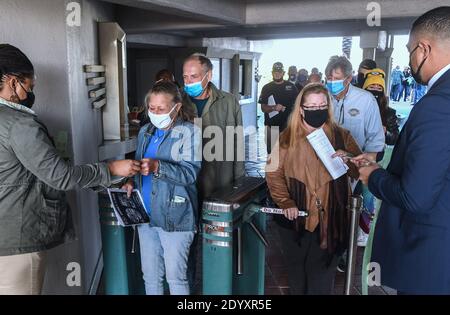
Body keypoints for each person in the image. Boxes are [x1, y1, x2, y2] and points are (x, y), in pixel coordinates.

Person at [0, 44, 141, 295]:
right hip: (16, 241)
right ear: (12, 82)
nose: (30, 93)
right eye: (28, 86)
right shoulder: (19, 125)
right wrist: (111, 169)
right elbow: (61, 176)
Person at [352, 6, 450, 294]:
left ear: (423, 49)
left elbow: (416, 197)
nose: (409, 60)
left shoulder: (437, 105)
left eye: (409, 51)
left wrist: (374, 176)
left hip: (428, 258)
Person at [266, 83, 362, 294]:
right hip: (295, 217)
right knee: (296, 274)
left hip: (331, 217)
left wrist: (350, 160)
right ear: (301, 109)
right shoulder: (286, 138)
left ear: (328, 108)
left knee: (322, 275)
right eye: (311, 106)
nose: (317, 110)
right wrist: (285, 201)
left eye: (322, 106)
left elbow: (359, 172)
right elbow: (273, 173)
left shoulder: (341, 136)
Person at [122, 80, 201, 295]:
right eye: (152, 108)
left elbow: (189, 173)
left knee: (175, 278)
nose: (155, 113)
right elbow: (140, 166)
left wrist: (158, 166)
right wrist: (130, 180)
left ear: (176, 107)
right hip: (145, 216)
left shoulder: (189, 132)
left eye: (161, 109)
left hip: (175, 216)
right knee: (150, 276)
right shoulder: (146, 131)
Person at [182, 53, 245, 292]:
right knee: (188, 243)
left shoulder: (228, 102)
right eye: (185, 77)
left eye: (194, 76)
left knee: (217, 244)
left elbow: (238, 145)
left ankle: (215, 288)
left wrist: (238, 186)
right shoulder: (178, 103)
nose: (189, 82)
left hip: (219, 183)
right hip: (186, 186)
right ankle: (188, 290)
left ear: (208, 76)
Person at [259, 62, 299, 154]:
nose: (277, 74)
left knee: (287, 154)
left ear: (283, 73)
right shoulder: (266, 88)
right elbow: (263, 108)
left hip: (288, 127)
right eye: (275, 72)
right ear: (272, 73)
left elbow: (298, 106)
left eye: (279, 72)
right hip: (271, 126)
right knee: (272, 155)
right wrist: (274, 107)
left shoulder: (291, 87)